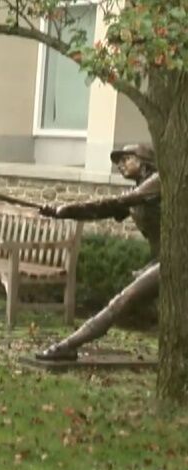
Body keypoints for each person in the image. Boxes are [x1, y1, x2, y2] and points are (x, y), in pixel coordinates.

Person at [35, 144, 161, 361]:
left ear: (143, 161)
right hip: (160, 260)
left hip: (177, 260)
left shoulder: (158, 182)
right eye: (118, 161)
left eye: (126, 159)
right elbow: (101, 210)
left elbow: (116, 202)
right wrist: (61, 213)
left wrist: (70, 208)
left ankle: (69, 345)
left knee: (122, 301)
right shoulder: (137, 193)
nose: (120, 165)